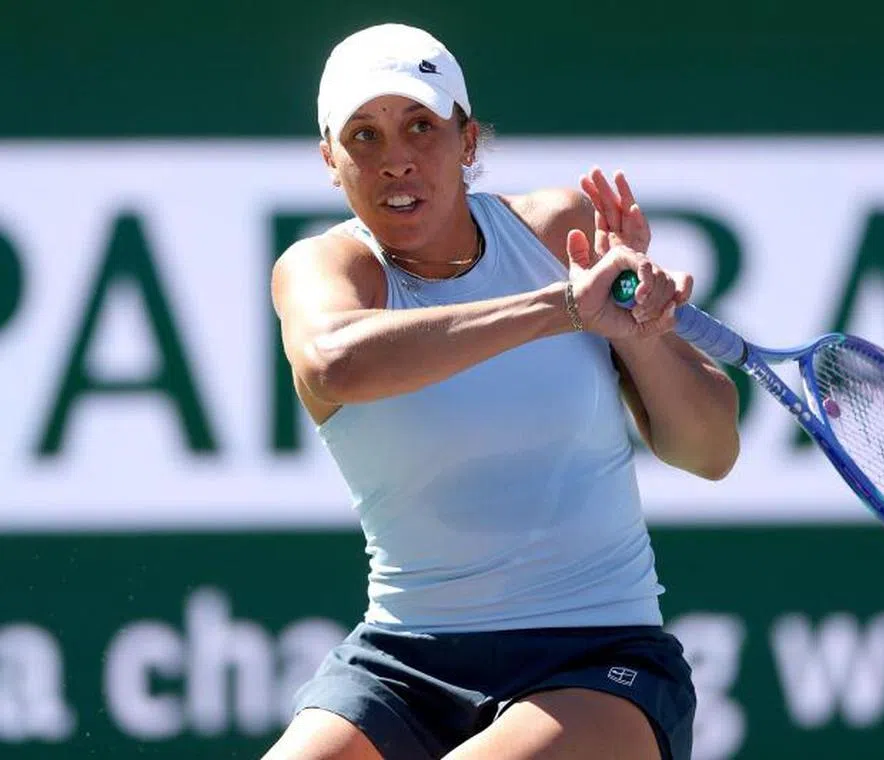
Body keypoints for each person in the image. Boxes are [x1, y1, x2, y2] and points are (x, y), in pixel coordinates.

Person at [265, 22, 740, 760]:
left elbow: (709, 450)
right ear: (330, 160)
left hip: (595, 657)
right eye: (364, 136)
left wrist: (639, 334)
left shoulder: (563, 233)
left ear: (468, 142)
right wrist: (564, 308)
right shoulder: (321, 269)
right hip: (401, 664)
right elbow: (335, 363)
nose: (396, 160)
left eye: (421, 126)